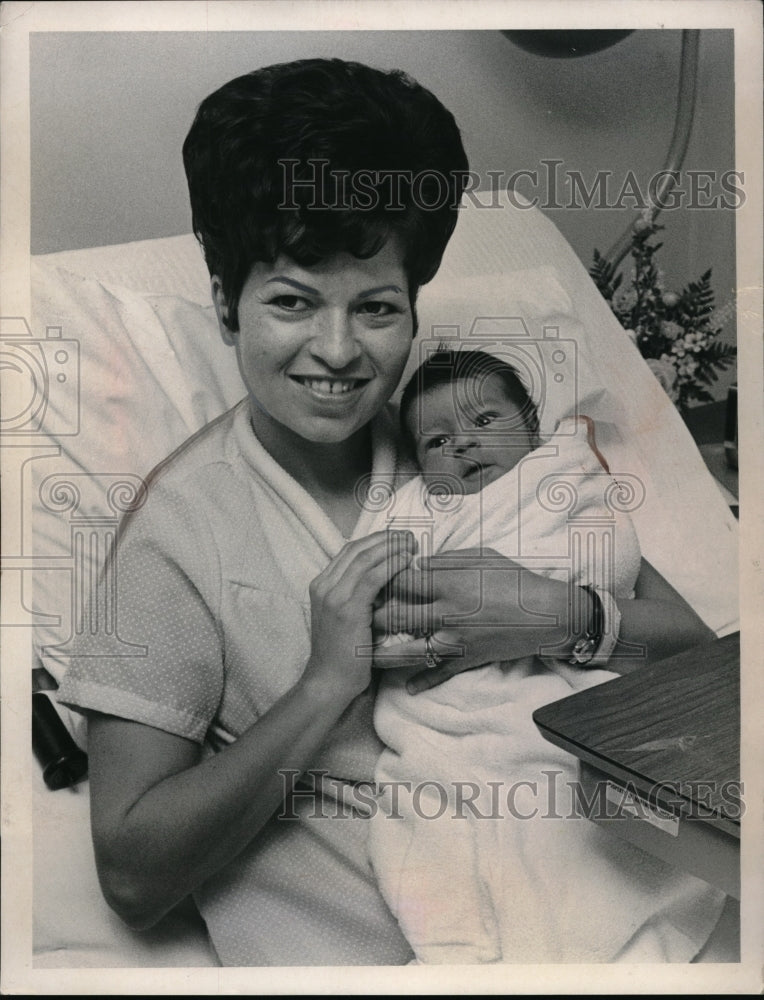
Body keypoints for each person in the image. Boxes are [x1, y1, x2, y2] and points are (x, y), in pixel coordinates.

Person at [56, 57, 716, 967]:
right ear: (226, 305)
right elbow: (131, 874)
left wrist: (558, 614)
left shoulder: (457, 430)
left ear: (413, 310)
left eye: (375, 308)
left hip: (606, 910)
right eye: (291, 301)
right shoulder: (181, 533)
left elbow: (699, 657)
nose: (337, 352)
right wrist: (328, 683)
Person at [364, 349, 726, 963]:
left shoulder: (566, 485)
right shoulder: (419, 511)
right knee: (465, 814)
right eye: (437, 441)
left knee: (589, 821)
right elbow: (385, 605)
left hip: (574, 693)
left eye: (485, 421)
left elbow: (620, 571)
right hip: (464, 708)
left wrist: (551, 607)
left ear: (532, 429)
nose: (464, 446)